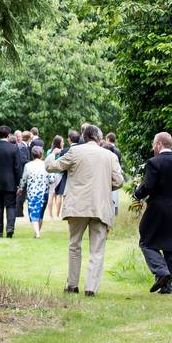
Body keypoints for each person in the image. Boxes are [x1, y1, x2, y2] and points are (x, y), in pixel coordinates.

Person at [45, 124, 124, 296]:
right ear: (98, 138)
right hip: (100, 206)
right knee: (97, 249)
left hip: (77, 206)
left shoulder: (75, 152)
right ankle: (91, 288)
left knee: (74, 245)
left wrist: (52, 154)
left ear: (84, 136)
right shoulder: (110, 156)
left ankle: (72, 285)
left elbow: (52, 167)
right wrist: (103, 186)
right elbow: (119, 181)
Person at [133, 131, 172, 295]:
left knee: (146, 240)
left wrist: (137, 194)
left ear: (159, 144)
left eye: (154, 145)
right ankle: (167, 286)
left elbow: (148, 186)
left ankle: (161, 271)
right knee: (171, 246)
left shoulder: (154, 162)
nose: (153, 148)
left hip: (156, 207)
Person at [0, 125, 22, 238]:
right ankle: (10, 227)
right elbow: (17, 167)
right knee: (11, 206)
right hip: (10, 182)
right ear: (8, 135)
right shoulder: (14, 148)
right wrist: (18, 183)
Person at [17, 145, 50, 238]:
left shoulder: (28, 165)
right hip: (44, 193)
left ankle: (37, 233)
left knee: (33, 213)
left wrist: (20, 189)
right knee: (40, 214)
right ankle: (37, 232)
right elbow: (51, 179)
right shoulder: (45, 165)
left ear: (32, 155)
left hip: (32, 193)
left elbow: (23, 179)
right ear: (42, 155)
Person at [52, 129, 79, 201]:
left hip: (66, 177)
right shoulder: (83, 150)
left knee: (65, 197)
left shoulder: (64, 151)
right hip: (79, 178)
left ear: (69, 139)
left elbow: (60, 166)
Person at [103, 133, 124, 215]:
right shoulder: (118, 150)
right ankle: (114, 210)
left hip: (108, 174)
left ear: (108, 139)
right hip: (115, 174)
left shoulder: (105, 149)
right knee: (115, 194)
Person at [47, 136, 64, 218]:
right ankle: (57, 214)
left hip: (50, 175)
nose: (63, 143)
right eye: (62, 142)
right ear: (59, 143)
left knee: (51, 194)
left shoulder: (49, 151)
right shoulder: (61, 152)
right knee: (59, 195)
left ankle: (50, 215)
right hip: (59, 174)